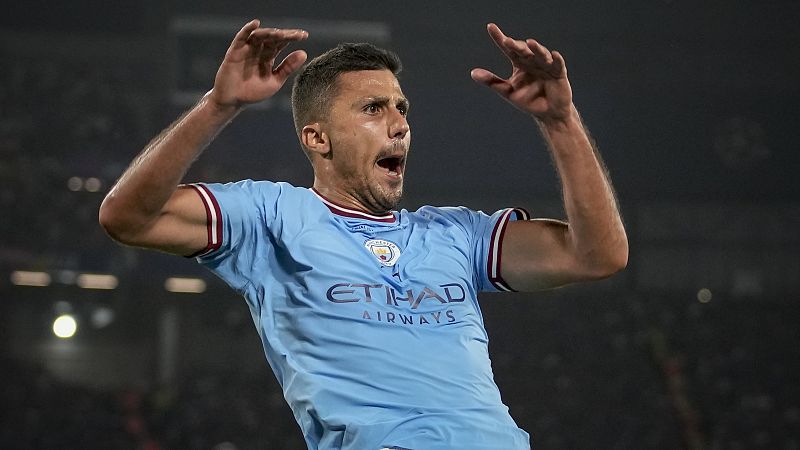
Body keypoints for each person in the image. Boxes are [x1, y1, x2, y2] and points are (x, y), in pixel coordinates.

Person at [99, 18, 628, 450]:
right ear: (317, 137)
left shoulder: (455, 234)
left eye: (402, 108)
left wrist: (561, 121)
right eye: (374, 109)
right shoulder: (270, 215)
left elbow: (597, 255)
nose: (399, 123)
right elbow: (129, 218)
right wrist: (219, 106)